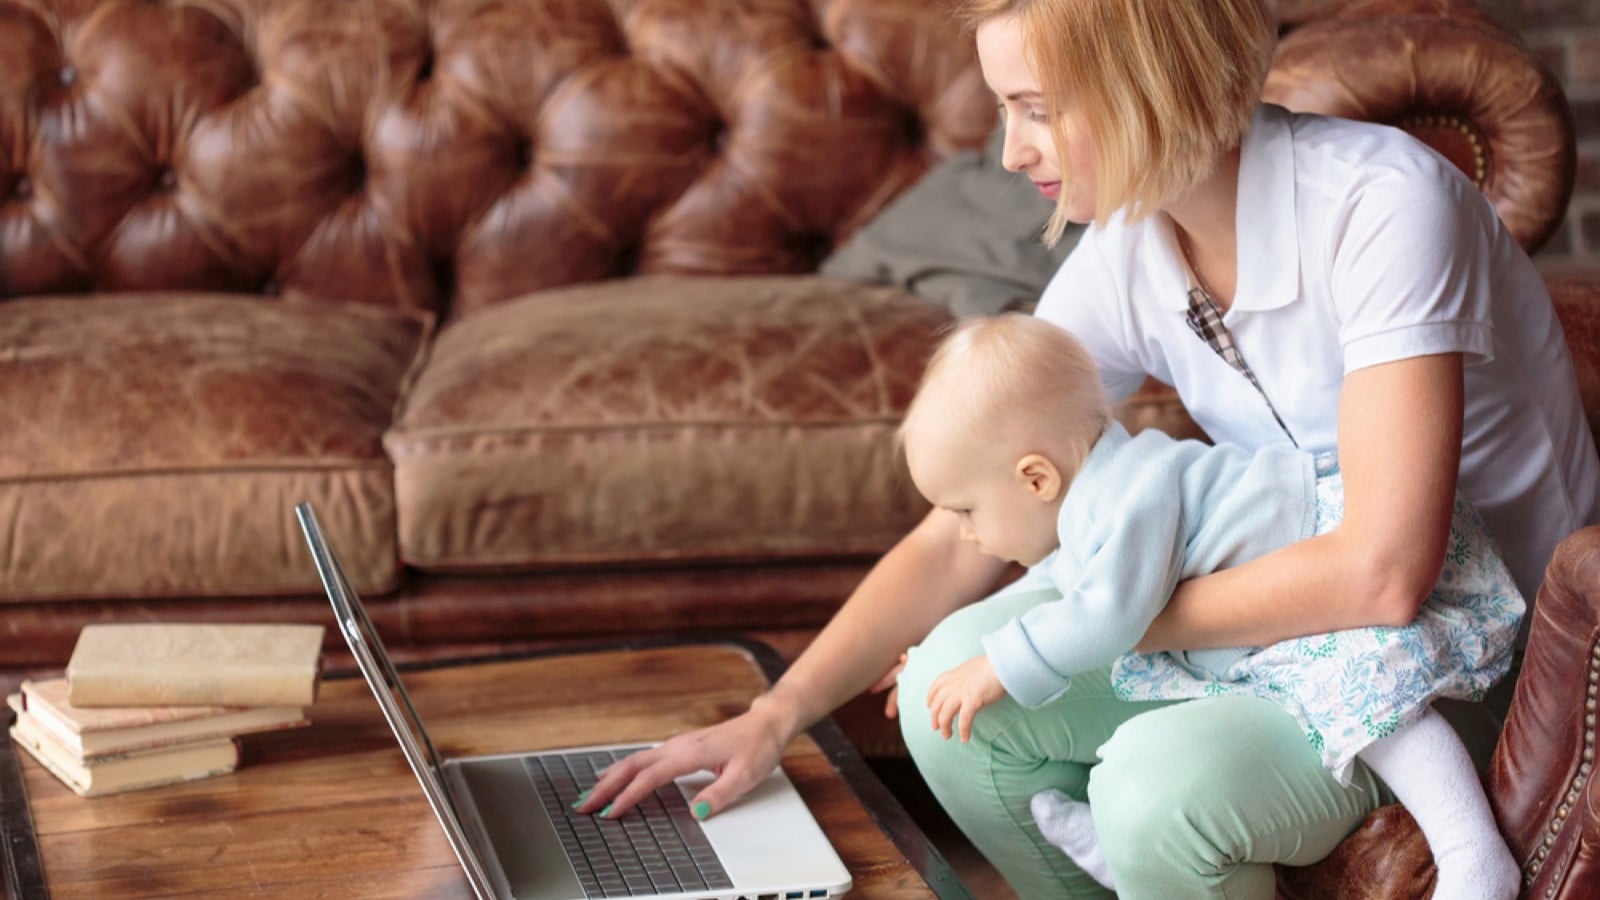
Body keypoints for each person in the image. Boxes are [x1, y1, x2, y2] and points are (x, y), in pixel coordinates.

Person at [579, 1, 1600, 896]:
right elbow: (956, 530)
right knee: (945, 698)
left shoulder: (1384, 204)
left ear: (1149, 82)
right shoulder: (1128, 251)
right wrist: (776, 716)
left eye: (1034, 108)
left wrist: (1096, 621)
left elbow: (1383, 576)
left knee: (1153, 795)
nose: (1011, 152)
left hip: (1461, 646)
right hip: (1290, 625)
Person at [903, 312, 1522, 897]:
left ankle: (1471, 850)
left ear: (1037, 478)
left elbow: (1106, 613)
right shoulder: (1092, 497)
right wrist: (976, 647)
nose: (965, 533)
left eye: (965, 511)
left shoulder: (1130, 495)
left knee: (1373, 702)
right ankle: (1118, 846)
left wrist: (999, 662)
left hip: (1331, 584)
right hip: (1274, 621)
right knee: (1281, 685)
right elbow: (1061, 579)